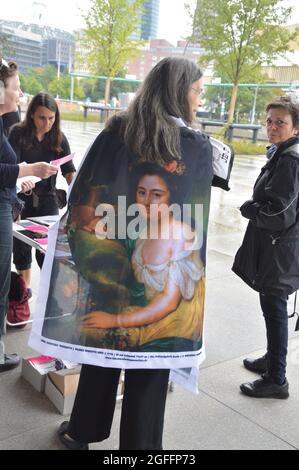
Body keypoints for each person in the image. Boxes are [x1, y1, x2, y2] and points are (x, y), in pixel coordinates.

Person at [57, 57, 214, 450]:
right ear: (180, 92)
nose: (199, 99)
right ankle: (141, 449)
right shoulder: (195, 145)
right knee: (150, 368)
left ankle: (84, 431)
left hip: (113, 262)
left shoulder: (115, 130)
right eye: (196, 91)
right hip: (148, 263)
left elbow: (83, 192)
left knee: (102, 349)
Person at [79, 162, 205, 352]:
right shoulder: (143, 226)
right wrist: (102, 224)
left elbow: (168, 303)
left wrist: (115, 320)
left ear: (172, 197)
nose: (146, 202)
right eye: (141, 192)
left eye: (156, 195)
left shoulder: (180, 235)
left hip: (169, 322)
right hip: (142, 309)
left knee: (91, 333)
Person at [232, 95, 299, 399]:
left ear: (295, 128)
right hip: (279, 247)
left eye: (280, 123)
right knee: (271, 307)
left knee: (274, 308)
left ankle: (277, 379)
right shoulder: (283, 153)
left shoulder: (290, 160)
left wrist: (252, 209)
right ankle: (273, 361)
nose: (272, 127)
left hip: (280, 249)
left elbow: (279, 213)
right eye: (270, 121)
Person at [0, 57, 58, 372]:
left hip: (22, 203)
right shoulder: (13, 129)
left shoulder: (6, 123)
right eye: (16, 88)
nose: (19, 94)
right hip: (9, 204)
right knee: (9, 270)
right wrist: (27, 170)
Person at [8, 92, 76, 296]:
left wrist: (77, 191)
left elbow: (69, 170)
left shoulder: (59, 138)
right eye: (42, 118)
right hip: (21, 198)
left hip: (48, 199)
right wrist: (21, 181)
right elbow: (12, 167)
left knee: (48, 250)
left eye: (51, 118)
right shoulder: (17, 134)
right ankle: (25, 293)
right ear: (31, 116)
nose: (47, 123)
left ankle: (50, 293)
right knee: (21, 250)